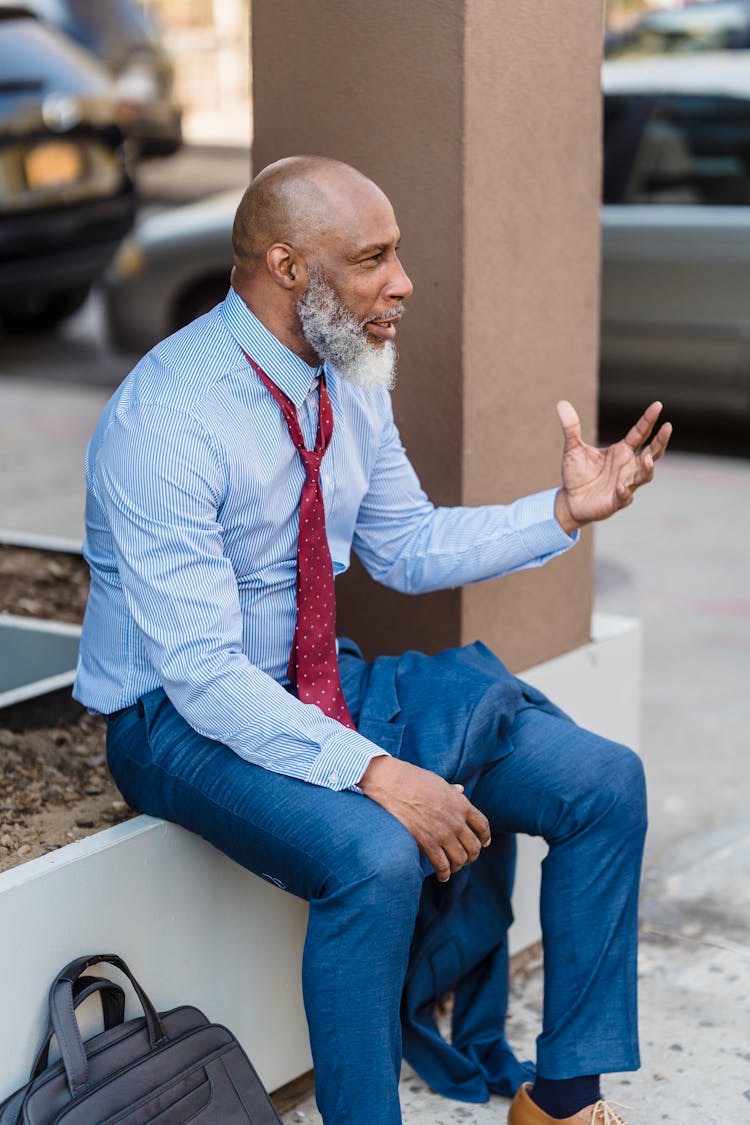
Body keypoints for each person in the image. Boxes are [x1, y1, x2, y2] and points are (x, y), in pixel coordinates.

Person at [74, 155, 671, 1125]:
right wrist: (377, 772)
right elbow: (203, 676)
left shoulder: (347, 373)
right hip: (171, 723)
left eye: (398, 253)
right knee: (377, 855)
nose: (403, 282)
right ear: (288, 266)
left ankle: (561, 1101)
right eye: (373, 259)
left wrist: (562, 511)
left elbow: (404, 543)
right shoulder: (168, 424)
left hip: (319, 686)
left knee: (602, 781)